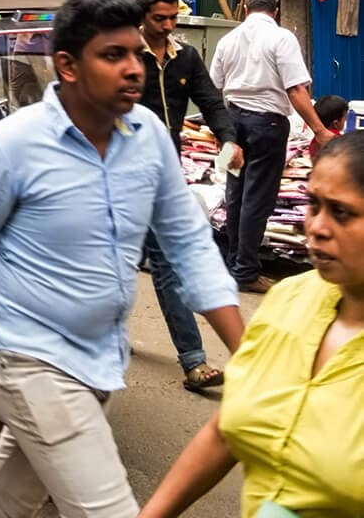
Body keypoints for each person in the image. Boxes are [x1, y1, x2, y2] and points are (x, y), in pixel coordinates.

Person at [0, 0, 243, 518]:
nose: (134, 68)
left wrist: (247, 354)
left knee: (5, 504)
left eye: (136, 54)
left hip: (98, 360)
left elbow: (189, 244)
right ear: (67, 66)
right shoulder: (10, 146)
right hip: (24, 357)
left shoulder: (149, 137)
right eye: (113, 55)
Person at [138, 131, 364, 518]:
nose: (317, 227)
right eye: (313, 205)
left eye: (342, 212)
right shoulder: (289, 300)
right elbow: (227, 429)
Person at [137, 0, 243, 393]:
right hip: (121, 176)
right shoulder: (125, 56)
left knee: (166, 263)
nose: (167, 26)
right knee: (114, 263)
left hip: (166, 175)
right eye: (158, 19)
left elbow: (212, 102)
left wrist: (229, 139)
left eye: (172, 18)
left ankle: (194, 361)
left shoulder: (186, 57)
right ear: (142, 17)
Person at [211, 0, 335, 293]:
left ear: (245, 10)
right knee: (257, 197)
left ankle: (234, 265)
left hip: (232, 124)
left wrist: (220, 132)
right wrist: (320, 130)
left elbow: (214, 88)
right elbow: (296, 90)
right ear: (275, 12)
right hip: (266, 126)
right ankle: (246, 272)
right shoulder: (282, 38)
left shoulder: (227, 40)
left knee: (234, 192)